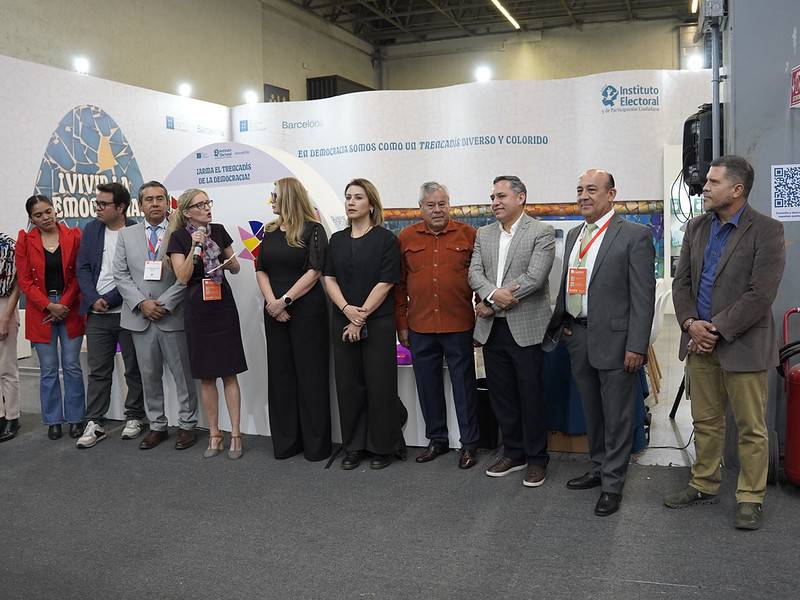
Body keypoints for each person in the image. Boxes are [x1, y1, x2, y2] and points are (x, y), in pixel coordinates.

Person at [664, 155, 786, 530]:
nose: (704, 187)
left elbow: (760, 295)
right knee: (705, 421)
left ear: (736, 189)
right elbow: (681, 283)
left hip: (742, 344)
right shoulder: (696, 227)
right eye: (707, 181)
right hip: (698, 342)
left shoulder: (767, 230)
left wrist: (712, 330)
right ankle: (704, 483)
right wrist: (690, 324)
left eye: (713, 182)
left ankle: (750, 497)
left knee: (751, 428)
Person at [546, 169, 655, 517]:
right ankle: (598, 466)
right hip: (578, 336)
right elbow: (571, 285)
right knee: (592, 410)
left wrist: (636, 346)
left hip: (618, 341)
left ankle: (613, 483)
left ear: (612, 195)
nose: (583, 196)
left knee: (618, 415)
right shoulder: (575, 234)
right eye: (580, 190)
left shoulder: (634, 235)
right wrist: (566, 324)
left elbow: (643, 298)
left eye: (592, 190)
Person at [468, 175, 555, 487]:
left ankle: (537, 459)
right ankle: (514, 453)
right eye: (493, 197)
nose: (495, 202)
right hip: (493, 330)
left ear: (521, 198)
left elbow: (534, 278)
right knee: (502, 395)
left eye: (501, 196)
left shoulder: (542, 232)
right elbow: (474, 273)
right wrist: (493, 297)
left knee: (530, 395)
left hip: (526, 327)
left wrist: (493, 303)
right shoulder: (484, 233)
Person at [395, 181, 479, 469]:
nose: (437, 210)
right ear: (420, 208)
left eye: (442, 204)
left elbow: (480, 282)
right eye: (430, 205)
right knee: (427, 387)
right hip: (420, 327)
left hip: (459, 325)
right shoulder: (406, 237)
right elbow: (399, 286)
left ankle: (469, 444)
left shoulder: (468, 235)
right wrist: (402, 325)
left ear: (449, 205)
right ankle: (437, 440)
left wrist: (481, 323)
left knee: (464, 387)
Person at [324, 178, 405, 470]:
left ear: (371, 204)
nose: (351, 202)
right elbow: (329, 278)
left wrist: (360, 317)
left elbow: (386, 283)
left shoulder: (386, 239)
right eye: (348, 197)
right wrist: (347, 310)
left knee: (380, 385)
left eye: (358, 197)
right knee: (349, 386)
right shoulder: (337, 240)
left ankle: (383, 447)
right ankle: (355, 447)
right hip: (342, 321)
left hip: (378, 323)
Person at [113, 181, 199, 451]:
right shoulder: (126, 235)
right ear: (140, 205)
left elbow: (187, 273)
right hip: (140, 318)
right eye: (149, 199)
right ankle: (157, 426)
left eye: (160, 198)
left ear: (167, 202)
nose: (155, 204)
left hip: (172, 315)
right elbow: (120, 274)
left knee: (182, 376)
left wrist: (165, 304)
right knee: (148, 376)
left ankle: (187, 425)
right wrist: (142, 304)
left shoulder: (182, 233)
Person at [165, 188, 247, 459]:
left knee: (230, 372)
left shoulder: (219, 231)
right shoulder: (179, 237)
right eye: (200, 205)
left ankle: (236, 433)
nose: (207, 208)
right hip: (198, 309)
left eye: (207, 203)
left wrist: (229, 265)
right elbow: (182, 277)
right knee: (207, 375)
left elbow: (236, 266)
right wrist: (194, 246)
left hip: (222, 305)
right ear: (187, 212)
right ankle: (214, 433)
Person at [256, 177, 331, 461]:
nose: (271, 200)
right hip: (274, 312)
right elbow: (260, 269)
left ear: (288, 197)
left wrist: (285, 300)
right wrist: (272, 303)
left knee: (311, 377)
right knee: (280, 377)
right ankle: (287, 443)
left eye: (274, 195)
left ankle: (316, 446)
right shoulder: (269, 230)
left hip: (306, 311)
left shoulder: (313, 229)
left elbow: (315, 271)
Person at [75, 182, 146, 448]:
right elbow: (82, 267)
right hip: (97, 314)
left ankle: (135, 416)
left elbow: (137, 273)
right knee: (98, 371)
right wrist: (94, 299)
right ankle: (94, 422)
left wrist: (111, 299)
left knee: (133, 368)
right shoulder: (92, 229)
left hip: (128, 310)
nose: (98, 208)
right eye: (97, 203)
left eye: (103, 204)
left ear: (121, 207)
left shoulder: (136, 231)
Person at [16, 195, 86, 440]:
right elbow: (24, 280)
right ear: (31, 218)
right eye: (39, 215)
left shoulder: (73, 235)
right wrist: (48, 305)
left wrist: (63, 304)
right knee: (47, 368)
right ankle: (53, 420)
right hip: (40, 309)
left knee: (72, 365)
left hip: (70, 306)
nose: (46, 217)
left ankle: (76, 418)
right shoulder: (25, 241)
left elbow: (79, 274)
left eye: (48, 211)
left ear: (54, 210)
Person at [0, 232, 22, 442]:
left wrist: (6, 318)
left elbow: (18, 286)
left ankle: (12, 417)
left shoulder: (8, 246)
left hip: (4, 304)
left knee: (7, 367)